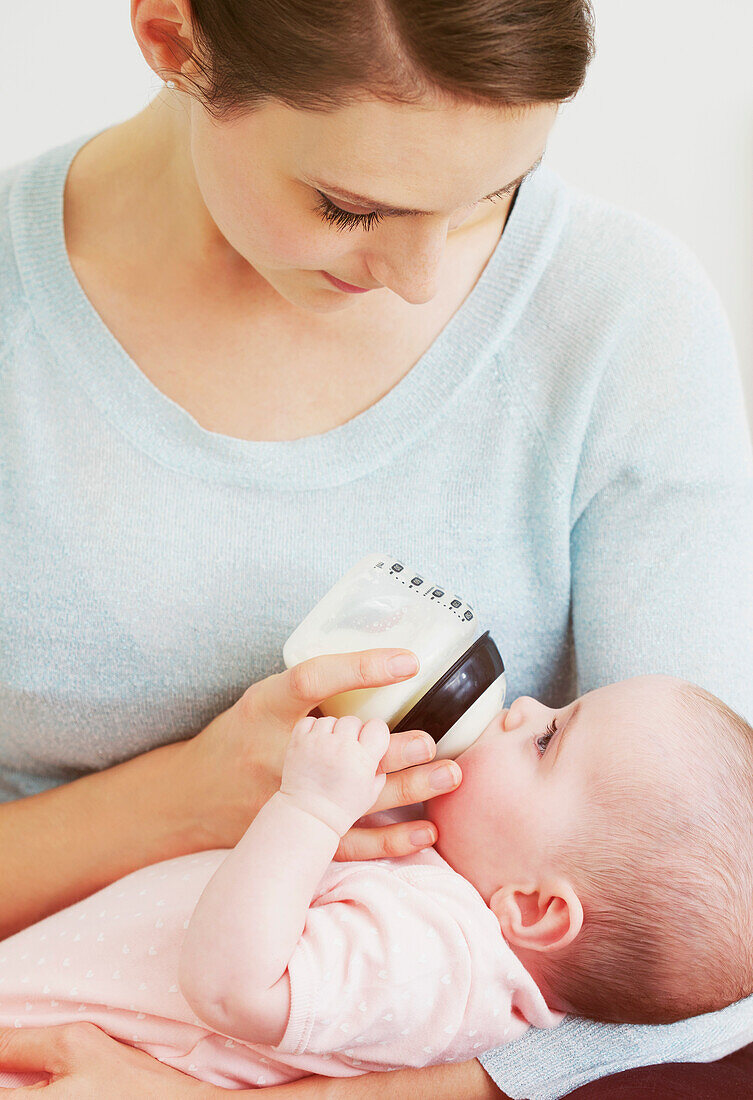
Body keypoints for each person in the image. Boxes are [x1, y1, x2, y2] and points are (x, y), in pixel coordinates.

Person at [1, 0, 752, 1095]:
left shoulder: (618, 320)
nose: (418, 274)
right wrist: (179, 798)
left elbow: (711, 947)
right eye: (350, 206)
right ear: (172, 38)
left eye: (494, 192)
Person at [0, 672, 751, 1093]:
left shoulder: (435, 962)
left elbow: (233, 988)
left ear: (533, 907)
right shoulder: (446, 915)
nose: (524, 707)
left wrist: (310, 806)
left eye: (548, 738)